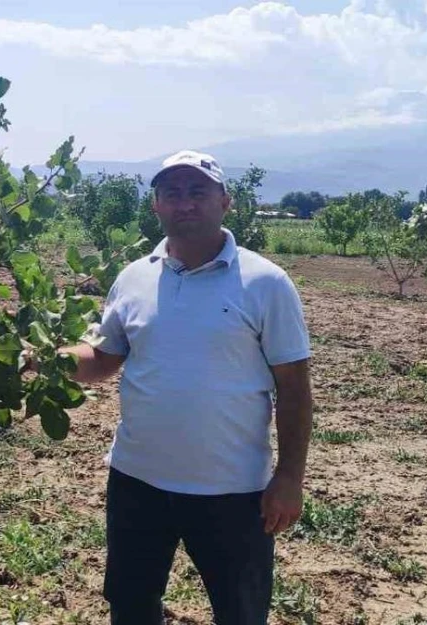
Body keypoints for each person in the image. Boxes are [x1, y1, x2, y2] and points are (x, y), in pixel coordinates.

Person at [56, 150, 314, 624]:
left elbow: (295, 389)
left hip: (232, 490)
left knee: (240, 612)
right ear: (156, 206)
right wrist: (30, 359)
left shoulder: (266, 283)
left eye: (198, 192)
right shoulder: (133, 277)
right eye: (172, 193)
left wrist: (290, 477)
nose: (185, 203)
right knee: (131, 604)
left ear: (225, 202)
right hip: (137, 480)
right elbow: (104, 358)